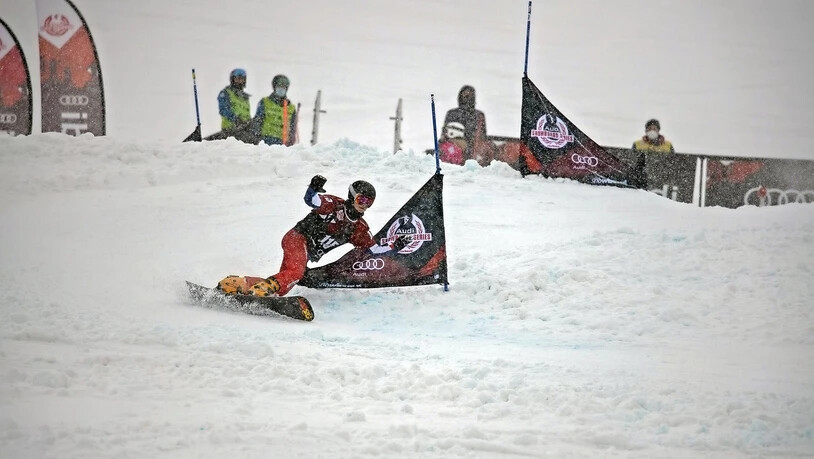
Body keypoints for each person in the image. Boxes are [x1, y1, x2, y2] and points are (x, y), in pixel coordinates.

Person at [216, 175, 410, 297]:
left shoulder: (359, 228)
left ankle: (239, 284)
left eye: (370, 202)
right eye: (362, 199)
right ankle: (261, 291)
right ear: (352, 196)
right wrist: (312, 188)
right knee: (295, 274)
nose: (365, 204)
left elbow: (373, 249)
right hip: (296, 238)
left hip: (306, 251)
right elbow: (311, 200)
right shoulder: (334, 204)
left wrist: (395, 246)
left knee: (286, 283)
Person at [438, 85, 496, 166]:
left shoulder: (452, 113)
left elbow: (443, 135)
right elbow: (482, 137)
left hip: (457, 151)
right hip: (464, 151)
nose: (467, 98)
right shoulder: (478, 115)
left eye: (468, 96)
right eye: (465, 96)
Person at [252, 74, 298, 146]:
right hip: (265, 142)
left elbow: (292, 128)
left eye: (284, 87)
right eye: (279, 86)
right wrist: (256, 138)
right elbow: (258, 120)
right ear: (274, 87)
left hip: (282, 144)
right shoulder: (265, 102)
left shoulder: (291, 108)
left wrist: (290, 142)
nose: (281, 89)